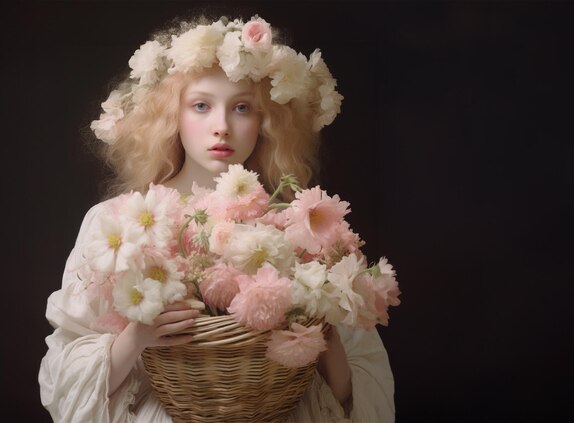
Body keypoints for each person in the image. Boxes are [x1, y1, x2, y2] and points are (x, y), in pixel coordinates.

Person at [38, 13, 395, 422]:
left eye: (242, 108)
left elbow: (363, 394)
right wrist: (137, 338)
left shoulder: (300, 222)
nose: (221, 127)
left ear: (265, 122)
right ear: (172, 115)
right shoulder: (118, 223)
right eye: (201, 106)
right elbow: (66, 379)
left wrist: (320, 332)